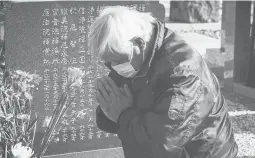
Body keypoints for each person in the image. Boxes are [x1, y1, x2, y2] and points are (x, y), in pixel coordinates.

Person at [89, 6, 238, 158]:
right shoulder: (134, 54)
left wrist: (123, 115)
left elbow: (163, 145)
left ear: (139, 44)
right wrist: (110, 107)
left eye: (117, 62)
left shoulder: (183, 74)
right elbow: (107, 116)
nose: (114, 69)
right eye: (108, 64)